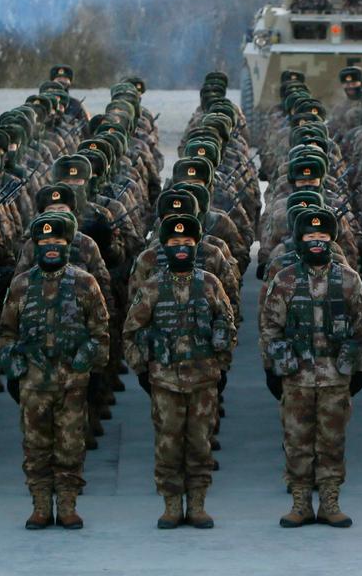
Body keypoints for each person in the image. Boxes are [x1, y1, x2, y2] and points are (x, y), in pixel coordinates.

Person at [259, 208, 362, 528]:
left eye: (323, 237)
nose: (317, 242)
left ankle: (330, 502)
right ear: (300, 241)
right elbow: (270, 327)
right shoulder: (285, 279)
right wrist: (272, 368)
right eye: (311, 237)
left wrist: (360, 369)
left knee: (332, 442)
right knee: (297, 442)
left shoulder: (348, 279)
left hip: (336, 378)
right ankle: (300, 503)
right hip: (296, 377)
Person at [122, 214, 234, 530]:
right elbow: (132, 331)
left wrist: (221, 365)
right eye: (174, 243)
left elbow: (226, 324)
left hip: (203, 380)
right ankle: (171, 505)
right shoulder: (152, 287)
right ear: (164, 247)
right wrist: (143, 371)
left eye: (187, 243)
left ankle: (197, 505)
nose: (181, 248)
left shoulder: (211, 284)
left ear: (196, 245)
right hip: (164, 381)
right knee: (168, 444)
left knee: (200, 443)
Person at [0, 213, 110, 530]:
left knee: (71, 446)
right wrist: (13, 362)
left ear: (67, 245)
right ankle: (40, 506)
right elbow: (6, 332)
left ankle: (68, 505)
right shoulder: (20, 286)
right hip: (33, 383)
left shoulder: (85, 283)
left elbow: (100, 332)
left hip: (72, 383)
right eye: (44, 242)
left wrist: (86, 362)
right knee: (36, 448)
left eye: (57, 242)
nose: (50, 247)